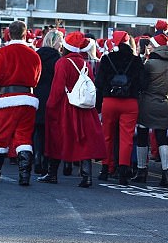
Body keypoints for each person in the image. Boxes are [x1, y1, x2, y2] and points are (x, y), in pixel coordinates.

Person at [43, 31, 106, 187]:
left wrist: (50, 106)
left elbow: (57, 89)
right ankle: (87, 177)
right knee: (83, 142)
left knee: (57, 140)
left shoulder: (62, 63)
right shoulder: (85, 63)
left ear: (65, 47)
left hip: (65, 107)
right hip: (84, 108)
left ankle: (52, 174)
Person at [0, 21, 42, 186]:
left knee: (0, 137)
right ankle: (24, 175)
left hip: (7, 99)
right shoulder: (34, 55)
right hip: (28, 99)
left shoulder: (2, 53)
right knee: (23, 137)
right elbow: (36, 81)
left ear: (9, 34)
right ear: (25, 34)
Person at [95, 30, 143, 185]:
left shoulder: (107, 59)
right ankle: (123, 171)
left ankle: (105, 169)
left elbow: (100, 82)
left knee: (107, 136)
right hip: (130, 102)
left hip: (109, 100)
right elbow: (143, 82)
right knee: (126, 138)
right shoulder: (136, 60)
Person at [135, 33, 168, 186]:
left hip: (147, 102)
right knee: (161, 138)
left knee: (142, 135)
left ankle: (141, 170)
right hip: (164, 103)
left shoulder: (149, 64)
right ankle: (165, 173)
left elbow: (142, 83)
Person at [33, 29, 65, 179]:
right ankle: (46, 162)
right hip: (51, 96)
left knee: (37, 131)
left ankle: (36, 158)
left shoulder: (36, 55)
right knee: (49, 133)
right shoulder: (58, 59)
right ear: (55, 41)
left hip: (37, 94)